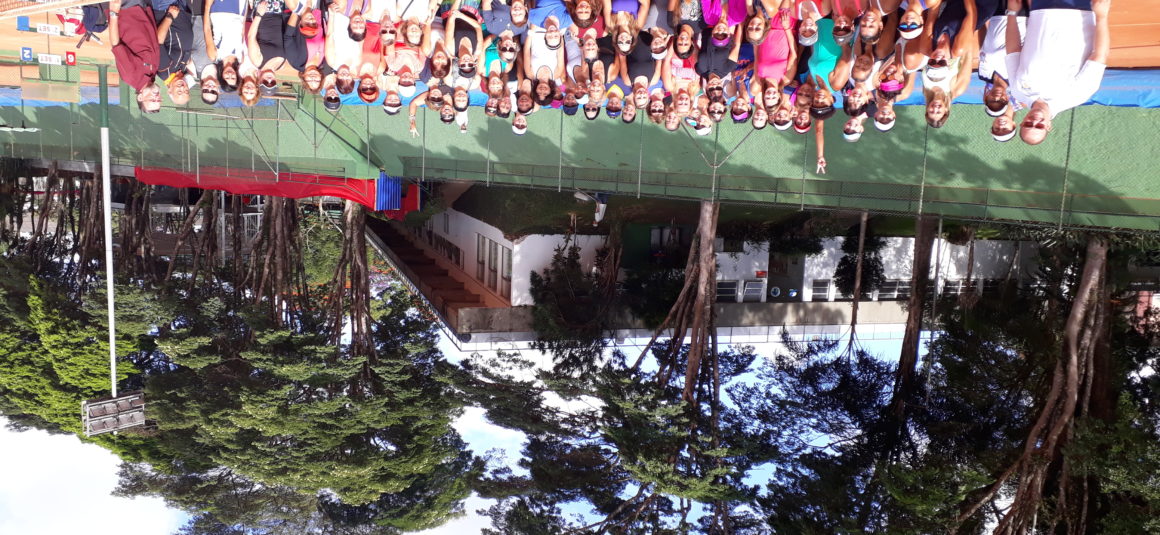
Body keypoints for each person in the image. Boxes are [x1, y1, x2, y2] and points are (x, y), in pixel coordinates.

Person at [1006, 0, 1108, 145]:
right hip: (1078, 10)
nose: (1034, 121)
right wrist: (1102, 17)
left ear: (1022, 122)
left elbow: (1012, 51)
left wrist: (1011, 13)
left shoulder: (1017, 91)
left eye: (1028, 124)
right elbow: (1099, 56)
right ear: (1048, 126)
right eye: (1039, 126)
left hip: (1040, 9)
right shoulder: (1077, 96)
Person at [109, 0, 161, 112]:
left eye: (152, 100)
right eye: (158, 100)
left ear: (140, 97)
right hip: (145, 9)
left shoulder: (130, 76)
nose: (157, 97)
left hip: (126, 9)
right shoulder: (153, 74)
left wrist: (114, 12)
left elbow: (115, 44)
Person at [978, 0, 1026, 117]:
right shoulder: (1015, 76)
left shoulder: (983, 74)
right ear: (1007, 98)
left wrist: (980, 20)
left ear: (986, 97)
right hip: (1020, 15)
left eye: (992, 101)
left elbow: (983, 44)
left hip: (995, 13)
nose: (996, 97)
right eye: (1001, 101)